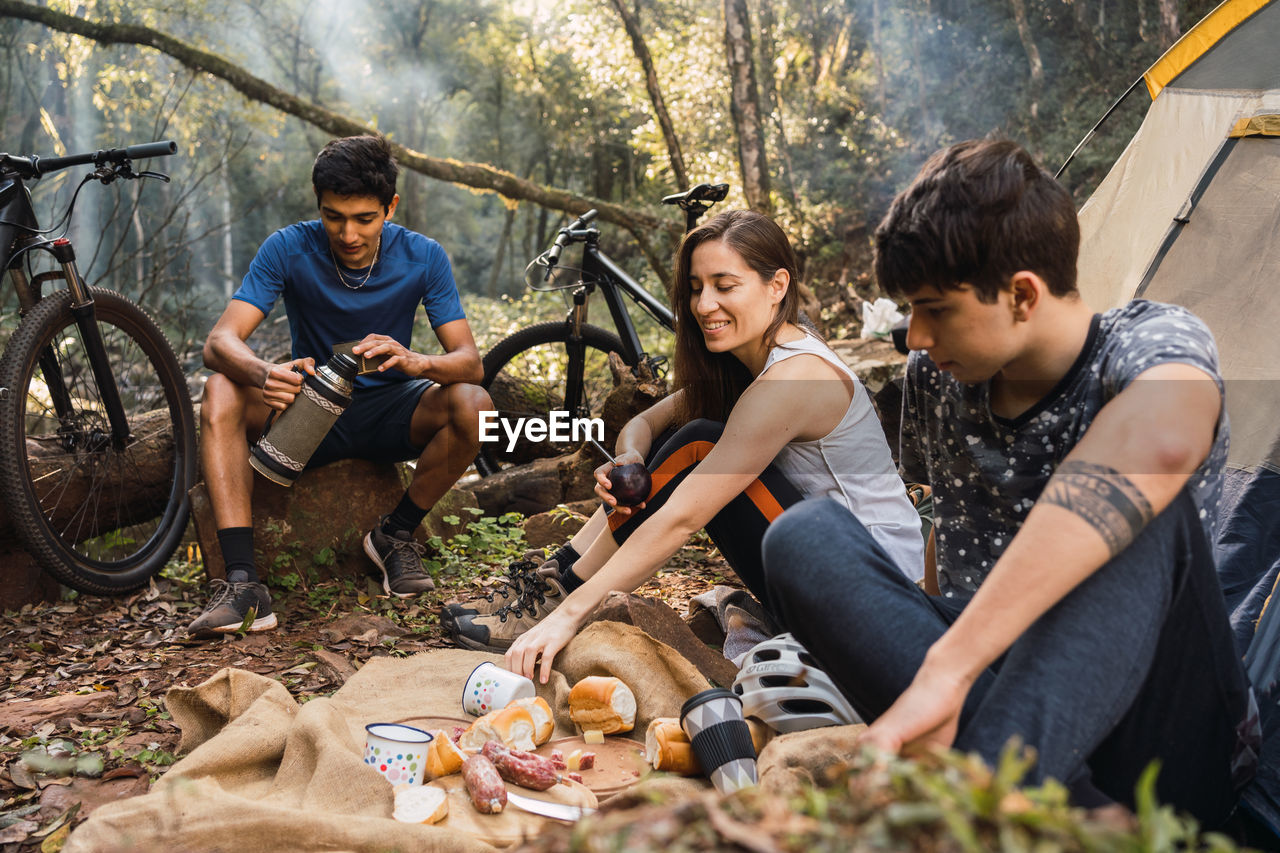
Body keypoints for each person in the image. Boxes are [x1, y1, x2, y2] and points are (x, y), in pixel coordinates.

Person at [760, 138, 1259, 825]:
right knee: (802, 535)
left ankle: (987, 805)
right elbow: (942, 539)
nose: (915, 336)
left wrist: (946, 669)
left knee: (1146, 502)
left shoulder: (1152, 342)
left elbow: (1165, 439)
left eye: (935, 309)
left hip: (1162, 726)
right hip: (1004, 699)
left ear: (1022, 294)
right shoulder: (936, 378)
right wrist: (926, 652)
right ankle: (1057, 818)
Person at [442, 210, 925, 678]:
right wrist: (631, 460)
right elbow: (647, 422)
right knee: (690, 437)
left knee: (697, 442)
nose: (704, 305)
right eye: (696, 289)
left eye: (725, 286)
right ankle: (551, 578)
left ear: (777, 286)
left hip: (874, 600)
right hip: (837, 577)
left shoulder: (793, 378)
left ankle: (559, 594)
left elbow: (683, 517)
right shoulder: (755, 360)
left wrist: (568, 618)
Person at [188, 135, 489, 639]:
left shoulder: (424, 256)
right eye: (333, 217)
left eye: (364, 219)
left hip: (392, 412)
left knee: (476, 406)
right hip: (310, 412)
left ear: (390, 207)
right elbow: (219, 342)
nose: (347, 234)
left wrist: (417, 361)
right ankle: (244, 585)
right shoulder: (287, 247)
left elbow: (470, 363)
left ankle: (393, 536)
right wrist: (264, 373)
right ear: (318, 205)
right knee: (220, 387)